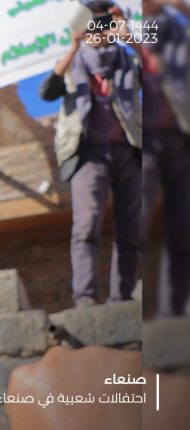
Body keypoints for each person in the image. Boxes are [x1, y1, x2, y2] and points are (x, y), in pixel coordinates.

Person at [39, 0, 142, 307]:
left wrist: (129, 34)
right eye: (93, 24)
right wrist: (74, 45)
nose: (99, 31)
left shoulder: (127, 58)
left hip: (128, 150)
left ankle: (121, 299)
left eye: (104, 24)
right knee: (86, 227)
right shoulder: (73, 62)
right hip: (88, 154)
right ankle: (84, 300)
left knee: (130, 229)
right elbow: (47, 92)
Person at [142, 0, 190, 317]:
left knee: (181, 228)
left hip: (180, 137)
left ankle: (172, 309)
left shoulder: (173, 24)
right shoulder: (132, 22)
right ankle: (126, 299)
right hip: (145, 139)